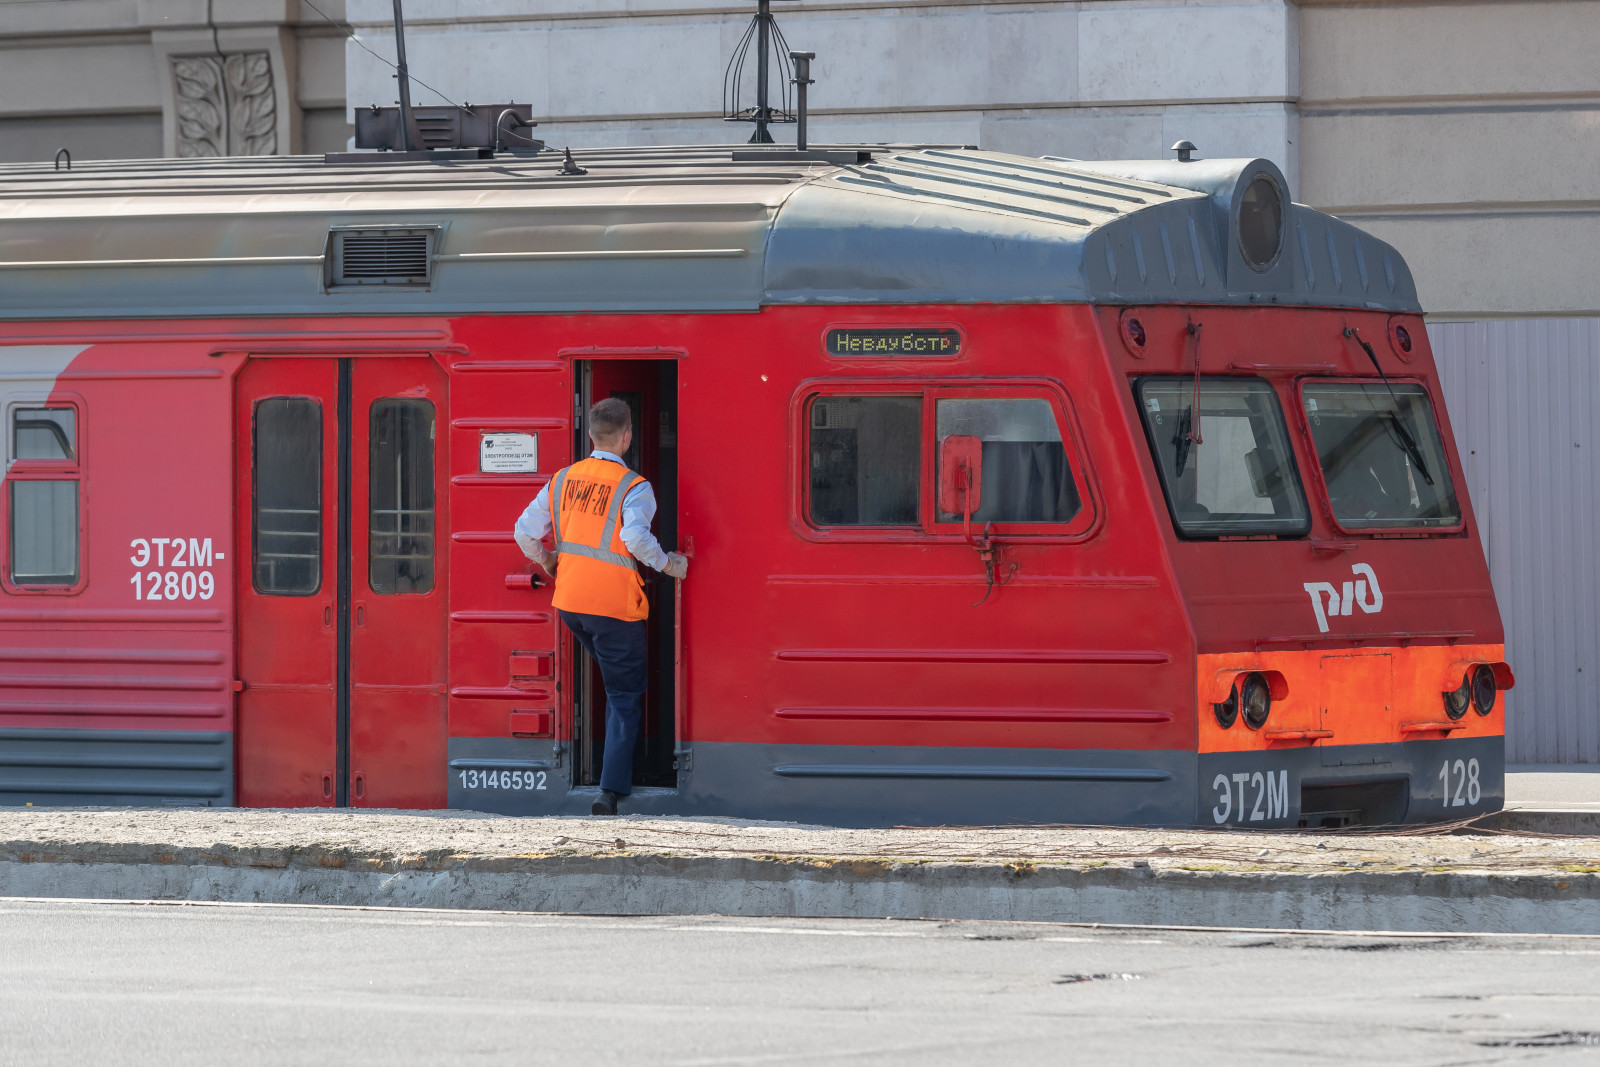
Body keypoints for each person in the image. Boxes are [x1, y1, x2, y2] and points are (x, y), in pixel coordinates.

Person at [513, 398, 689, 816]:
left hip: (572, 605)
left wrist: (548, 561)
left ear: (591, 434)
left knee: (614, 684)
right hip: (614, 608)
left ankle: (607, 764)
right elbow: (635, 538)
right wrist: (670, 565)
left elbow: (524, 531)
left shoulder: (561, 480)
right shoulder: (634, 486)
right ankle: (609, 791)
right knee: (625, 694)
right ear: (627, 435)